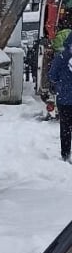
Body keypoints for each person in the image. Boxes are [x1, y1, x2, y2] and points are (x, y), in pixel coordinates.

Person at [48, 31, 72, 161]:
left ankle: (66, 154)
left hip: (65, 99)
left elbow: (52, 75)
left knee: (65, 128)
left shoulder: (62, 56)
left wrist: (60, 82)